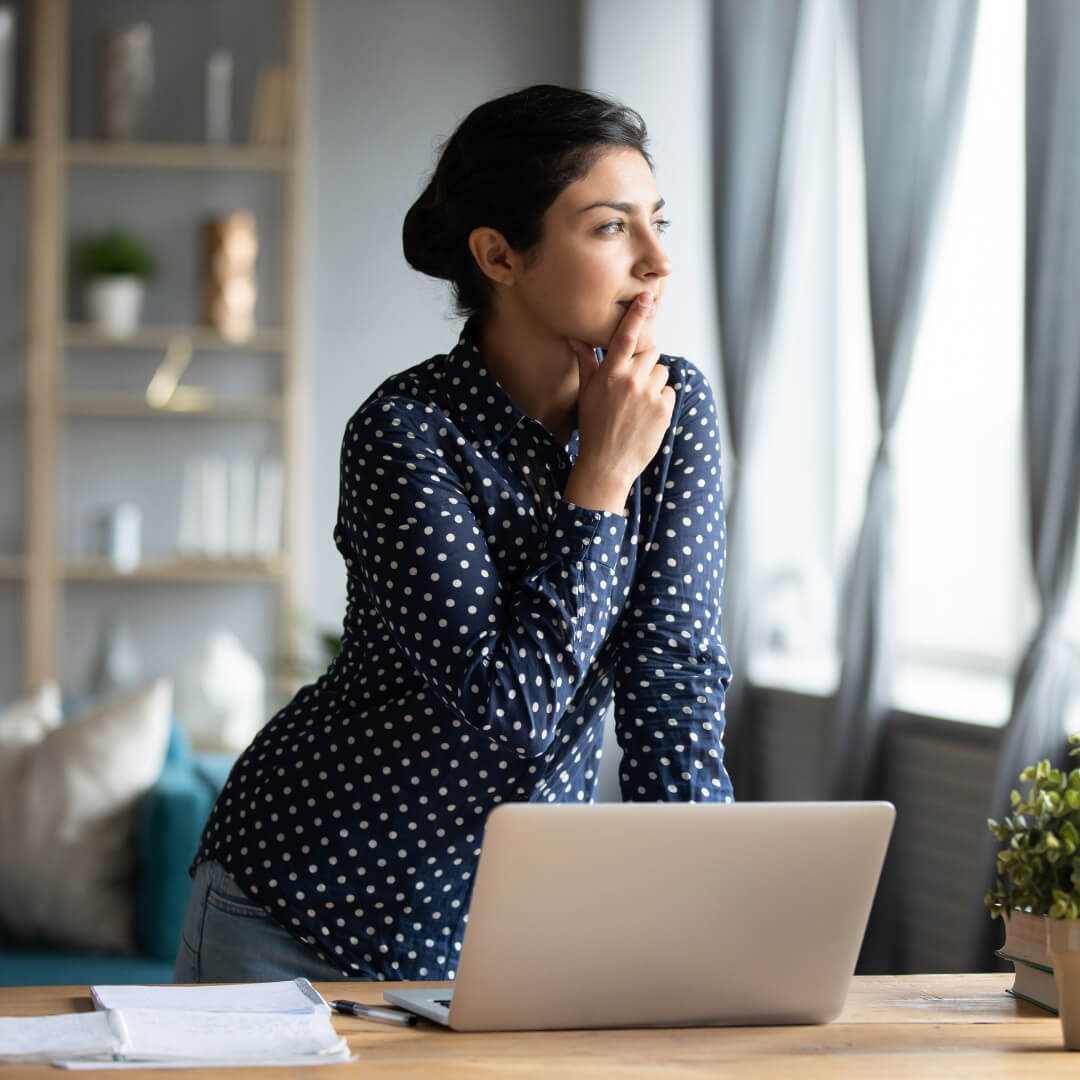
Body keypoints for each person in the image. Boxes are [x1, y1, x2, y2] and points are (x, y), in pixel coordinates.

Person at [174, 83, 732, 986]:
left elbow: (672, 678)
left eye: (657, 221)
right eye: (609, 228)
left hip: (508, 927)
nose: (657, 260)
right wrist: (600, 485)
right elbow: (508, 712)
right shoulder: (406, 431)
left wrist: (710, 921)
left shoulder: (677, 407)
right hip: (304, 904)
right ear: (499, 256)